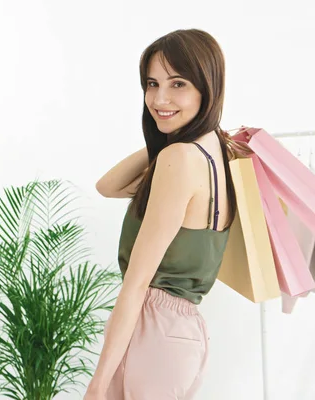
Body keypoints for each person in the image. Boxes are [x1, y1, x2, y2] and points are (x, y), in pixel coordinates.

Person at [84, 29, 239, 400]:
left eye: (178, 84)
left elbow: (137, 284)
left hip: (153, 332)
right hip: (184, 335)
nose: (159, 98)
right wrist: (168, 133)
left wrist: (98, 382)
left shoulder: (179, 160)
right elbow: (107, 186)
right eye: (152, 84)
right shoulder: (214, 152)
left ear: (208, 88)